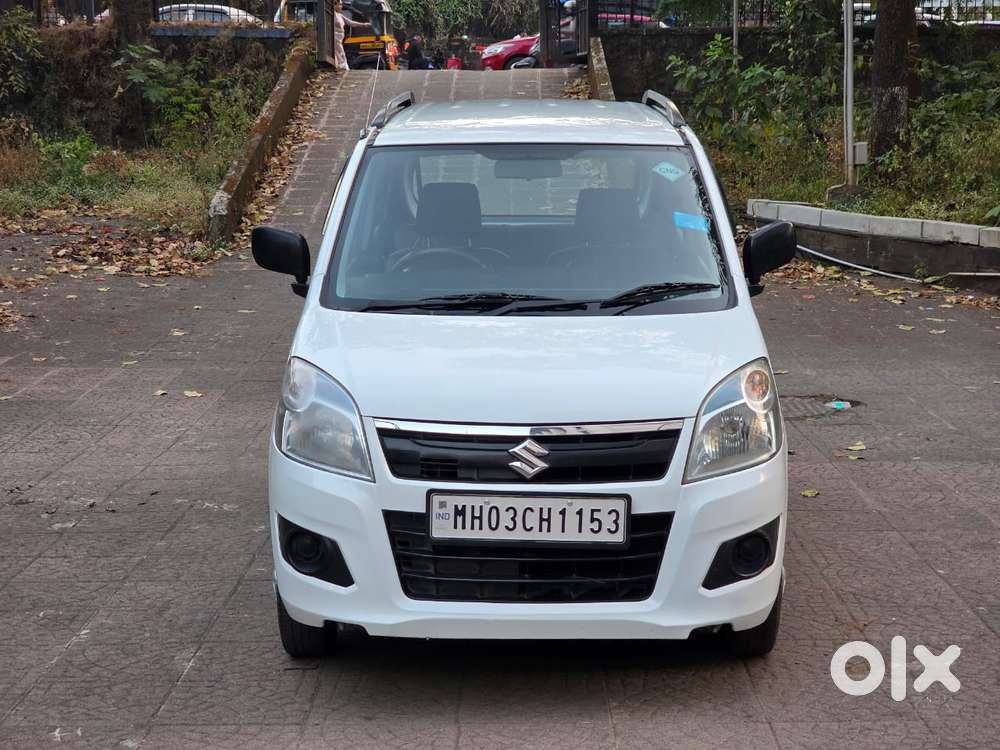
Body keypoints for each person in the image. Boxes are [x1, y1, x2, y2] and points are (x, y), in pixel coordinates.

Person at [333, 0, 370, 72]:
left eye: (341, 4)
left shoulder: (340, 15)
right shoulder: (332, 14)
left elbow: (351, 23)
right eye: (339, 4)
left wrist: (364, 24)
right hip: (335, 37)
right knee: (340, 53)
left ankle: (342, 66)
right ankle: (342, 66)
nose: (341, 6)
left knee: (341, 52)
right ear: (335, 5)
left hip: (340, 37)